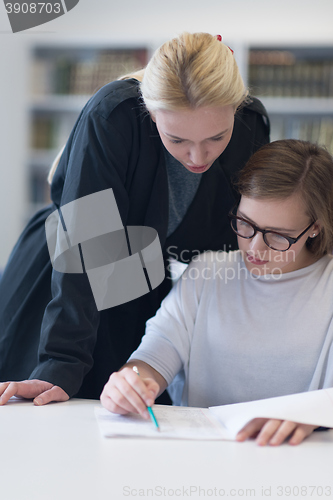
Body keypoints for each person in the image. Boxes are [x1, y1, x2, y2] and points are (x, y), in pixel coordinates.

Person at [0, 32, 269, 406]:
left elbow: (230, 247)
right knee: (48, 412)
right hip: (64, 279)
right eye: (176, 139)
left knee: (128, 412)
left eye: (216, 137)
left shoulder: (252, 124)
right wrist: (59, 364)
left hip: (142, 276)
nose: (197, 156)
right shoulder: (112, 115)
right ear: (149, 111)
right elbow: (85, 248)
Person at [100, 139, 333, 446]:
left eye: (278, 235)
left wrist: (311, 415)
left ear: (314, 228)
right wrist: (131, 385)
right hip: (202, 463)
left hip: (300, 465)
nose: (254, 247)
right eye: (245, 223)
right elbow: (154, 356)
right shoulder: (206, 273)